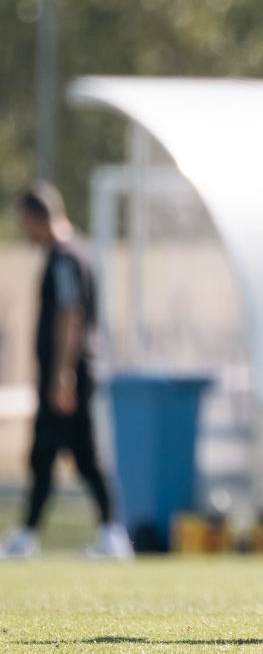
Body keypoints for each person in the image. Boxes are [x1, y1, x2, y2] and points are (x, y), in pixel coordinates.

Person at [1, 182, 133, 560]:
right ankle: (104, 532)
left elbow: (70, 314)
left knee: (52, 453)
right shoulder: (80, 252)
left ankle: (39, 536)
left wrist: (61, 374)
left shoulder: (63, 257)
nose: (27, 233)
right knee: (73, 455)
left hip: (67, 374)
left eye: (26, 224)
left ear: (35, 219)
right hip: (74, 372)